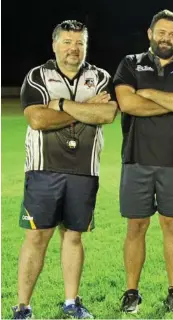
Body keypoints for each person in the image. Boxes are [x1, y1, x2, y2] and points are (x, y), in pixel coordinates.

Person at [12, 20, 118, 319]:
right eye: (68, 42)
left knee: (73, 236)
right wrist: (84, 110)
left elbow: (107, 113)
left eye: (80, 43)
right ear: (55, 44)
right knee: (36, 237)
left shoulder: (100, 77)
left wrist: (59, 105)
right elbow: (38, 120)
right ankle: (23, 307)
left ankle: (71, 303)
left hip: (85, 171)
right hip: (43, 170)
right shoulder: (37, 76)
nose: (74, 48)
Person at [113, 9, 173, 313]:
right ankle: (131, 292)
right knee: (136, 226)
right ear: (150, 33)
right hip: (136, 159)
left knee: (171, 226)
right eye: (161, 32)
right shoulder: (130, 63)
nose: (166, 39)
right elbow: (126, 103)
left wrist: (150, 93)